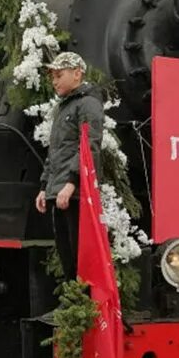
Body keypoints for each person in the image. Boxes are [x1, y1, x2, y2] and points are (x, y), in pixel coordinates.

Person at [34, 51, 104, 283]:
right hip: (59, 191)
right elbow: (55, 152)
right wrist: (45, 186)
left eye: (58, 75)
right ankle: (73, 305)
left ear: (77, 74)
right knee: (66, 256)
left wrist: (72, 183)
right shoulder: (63, 107)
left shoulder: (88, 104)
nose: (54, 81)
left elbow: (89, 146)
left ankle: (83, 306)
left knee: (79, 255)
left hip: (75, 195)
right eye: (52, 76)